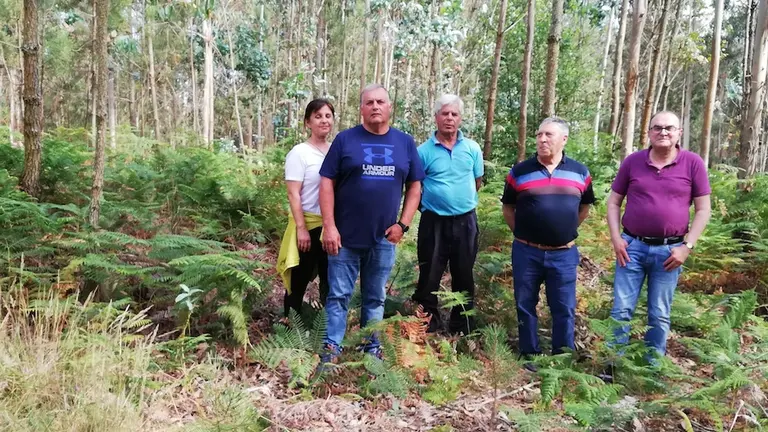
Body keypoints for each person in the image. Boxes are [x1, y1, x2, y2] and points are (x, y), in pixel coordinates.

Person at [318, 84, 425, 362]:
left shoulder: (404, 142)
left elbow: (415, 186)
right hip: (344, 236)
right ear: (361, 109)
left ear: (390, 108)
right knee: (338, 295)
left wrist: (403, 224)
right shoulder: (345, 140)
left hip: (383, 237)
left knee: (375, 297)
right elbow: (326, 182)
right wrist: (329, 226)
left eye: (380, 102)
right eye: (369, 103)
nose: (375, 106)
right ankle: (331, 348)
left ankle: (371, 346)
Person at [606, 111, 711, 370]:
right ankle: (611, 366)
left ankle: (651, 371)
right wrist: (616, 239)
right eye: (657, 128)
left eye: (669, 128)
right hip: (631, 248)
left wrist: (687, 247)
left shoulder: (692, 163)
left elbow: (703, 209)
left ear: (679, 133)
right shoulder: (633, 162)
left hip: (670, 252)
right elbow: (613, 202)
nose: (663, 132)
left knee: (659, 315)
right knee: (621, 310)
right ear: (649, 132)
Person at [500, 116, 595, 370]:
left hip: (563, 254)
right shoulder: (519, 171)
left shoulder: (580, 172)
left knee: (564, 306)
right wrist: (521, 233)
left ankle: (562, 358)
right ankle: (529, 354)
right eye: (539, 134)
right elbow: (508, 208)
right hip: (526, 251)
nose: (542, 139)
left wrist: (565, 230)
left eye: (548, 135)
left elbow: (585, 207)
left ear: (563, 139)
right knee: (525, 303)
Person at [411, 94, 484, 335]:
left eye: (454, 114)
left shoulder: (472, 148)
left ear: (460, 118)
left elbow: (477, 181)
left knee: (464, 272)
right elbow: (415, 187)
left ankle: (461, 325)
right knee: (429, 272)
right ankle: (427, 323)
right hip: (434, 222)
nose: (449, 118)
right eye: (445, 114)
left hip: (466, 221)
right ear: (436, 118)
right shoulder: (422, 151)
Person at [276, 99, 335, 318]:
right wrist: (301, 227)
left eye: (328, 116)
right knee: (298, 281)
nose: (324, 120)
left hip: (331, 227)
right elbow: (293, 193)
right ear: (307, 122)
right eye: (318, 116)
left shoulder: (336, 151)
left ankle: (325, 329)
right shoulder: (299, 153)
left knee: (331, 280)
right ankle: (290, 325)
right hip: (308, 225)